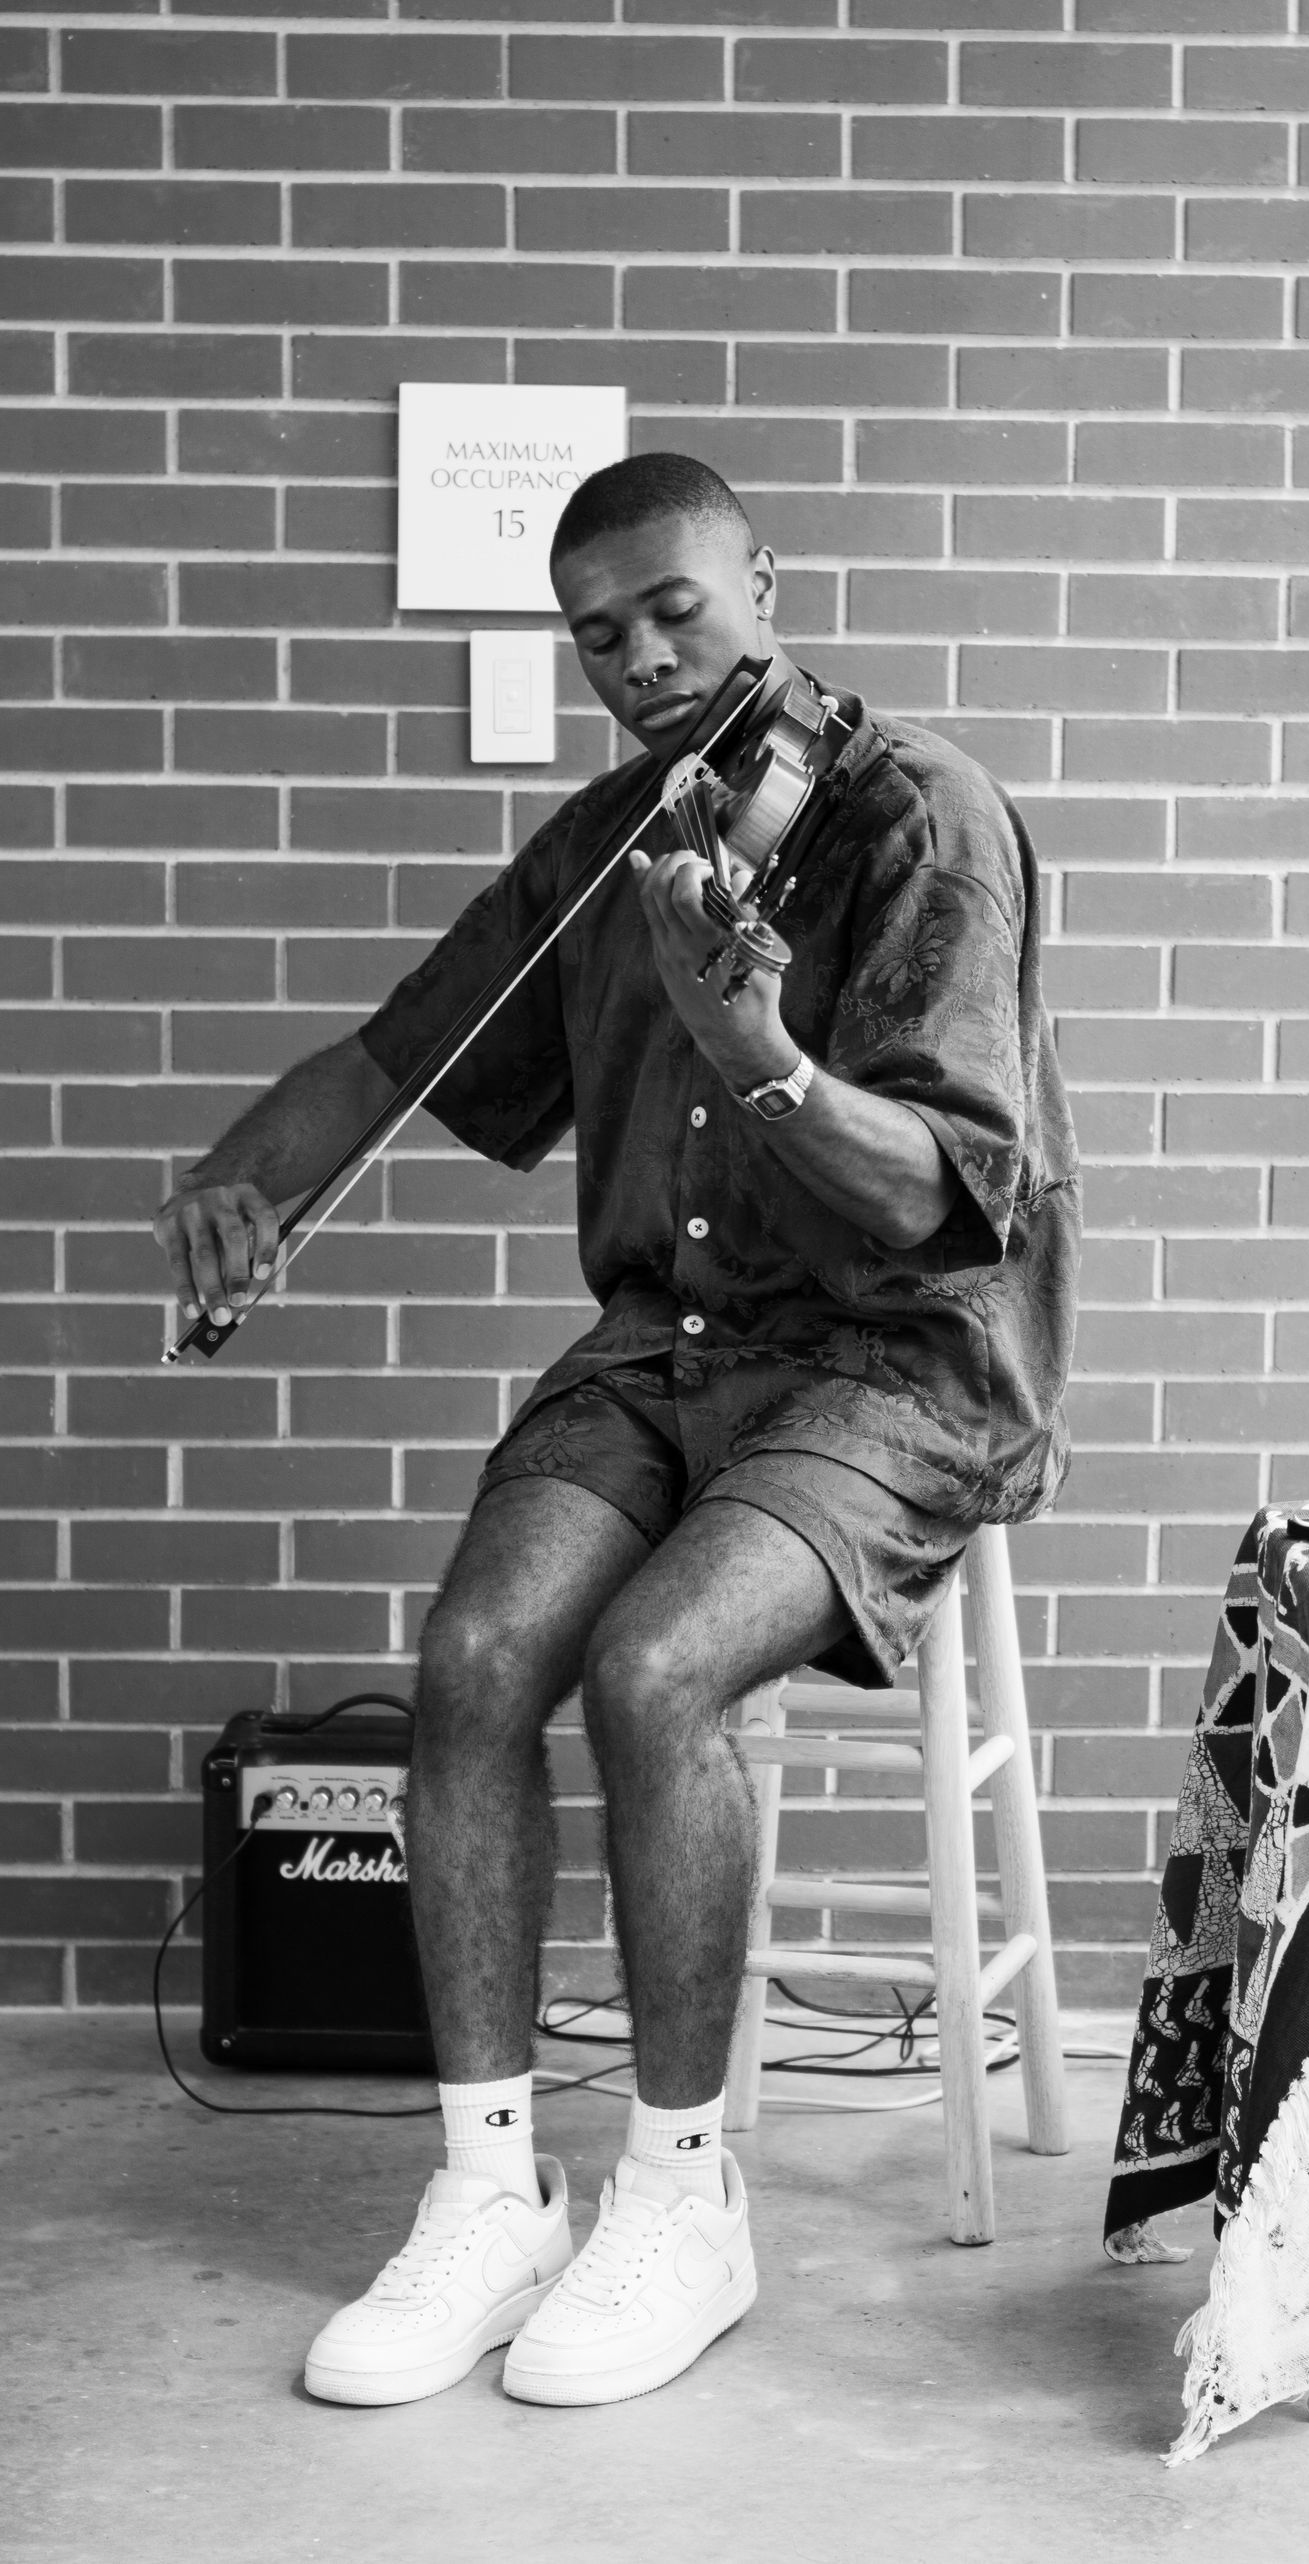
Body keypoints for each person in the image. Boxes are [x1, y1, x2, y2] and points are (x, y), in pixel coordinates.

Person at [151, 451, 1080, 2410]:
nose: (645, 660)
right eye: (600, 636)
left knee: (655, 1669)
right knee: (479, 1655)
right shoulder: (612, 845)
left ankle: (684, 2192)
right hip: (666, 1348)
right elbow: (390, 1062)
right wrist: (239, 1188)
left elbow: (931, 1199)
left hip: (892, 1359)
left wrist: (757, 1056)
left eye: (677, 611)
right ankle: (492, 2189)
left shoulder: (928, 821)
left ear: (766, 584)